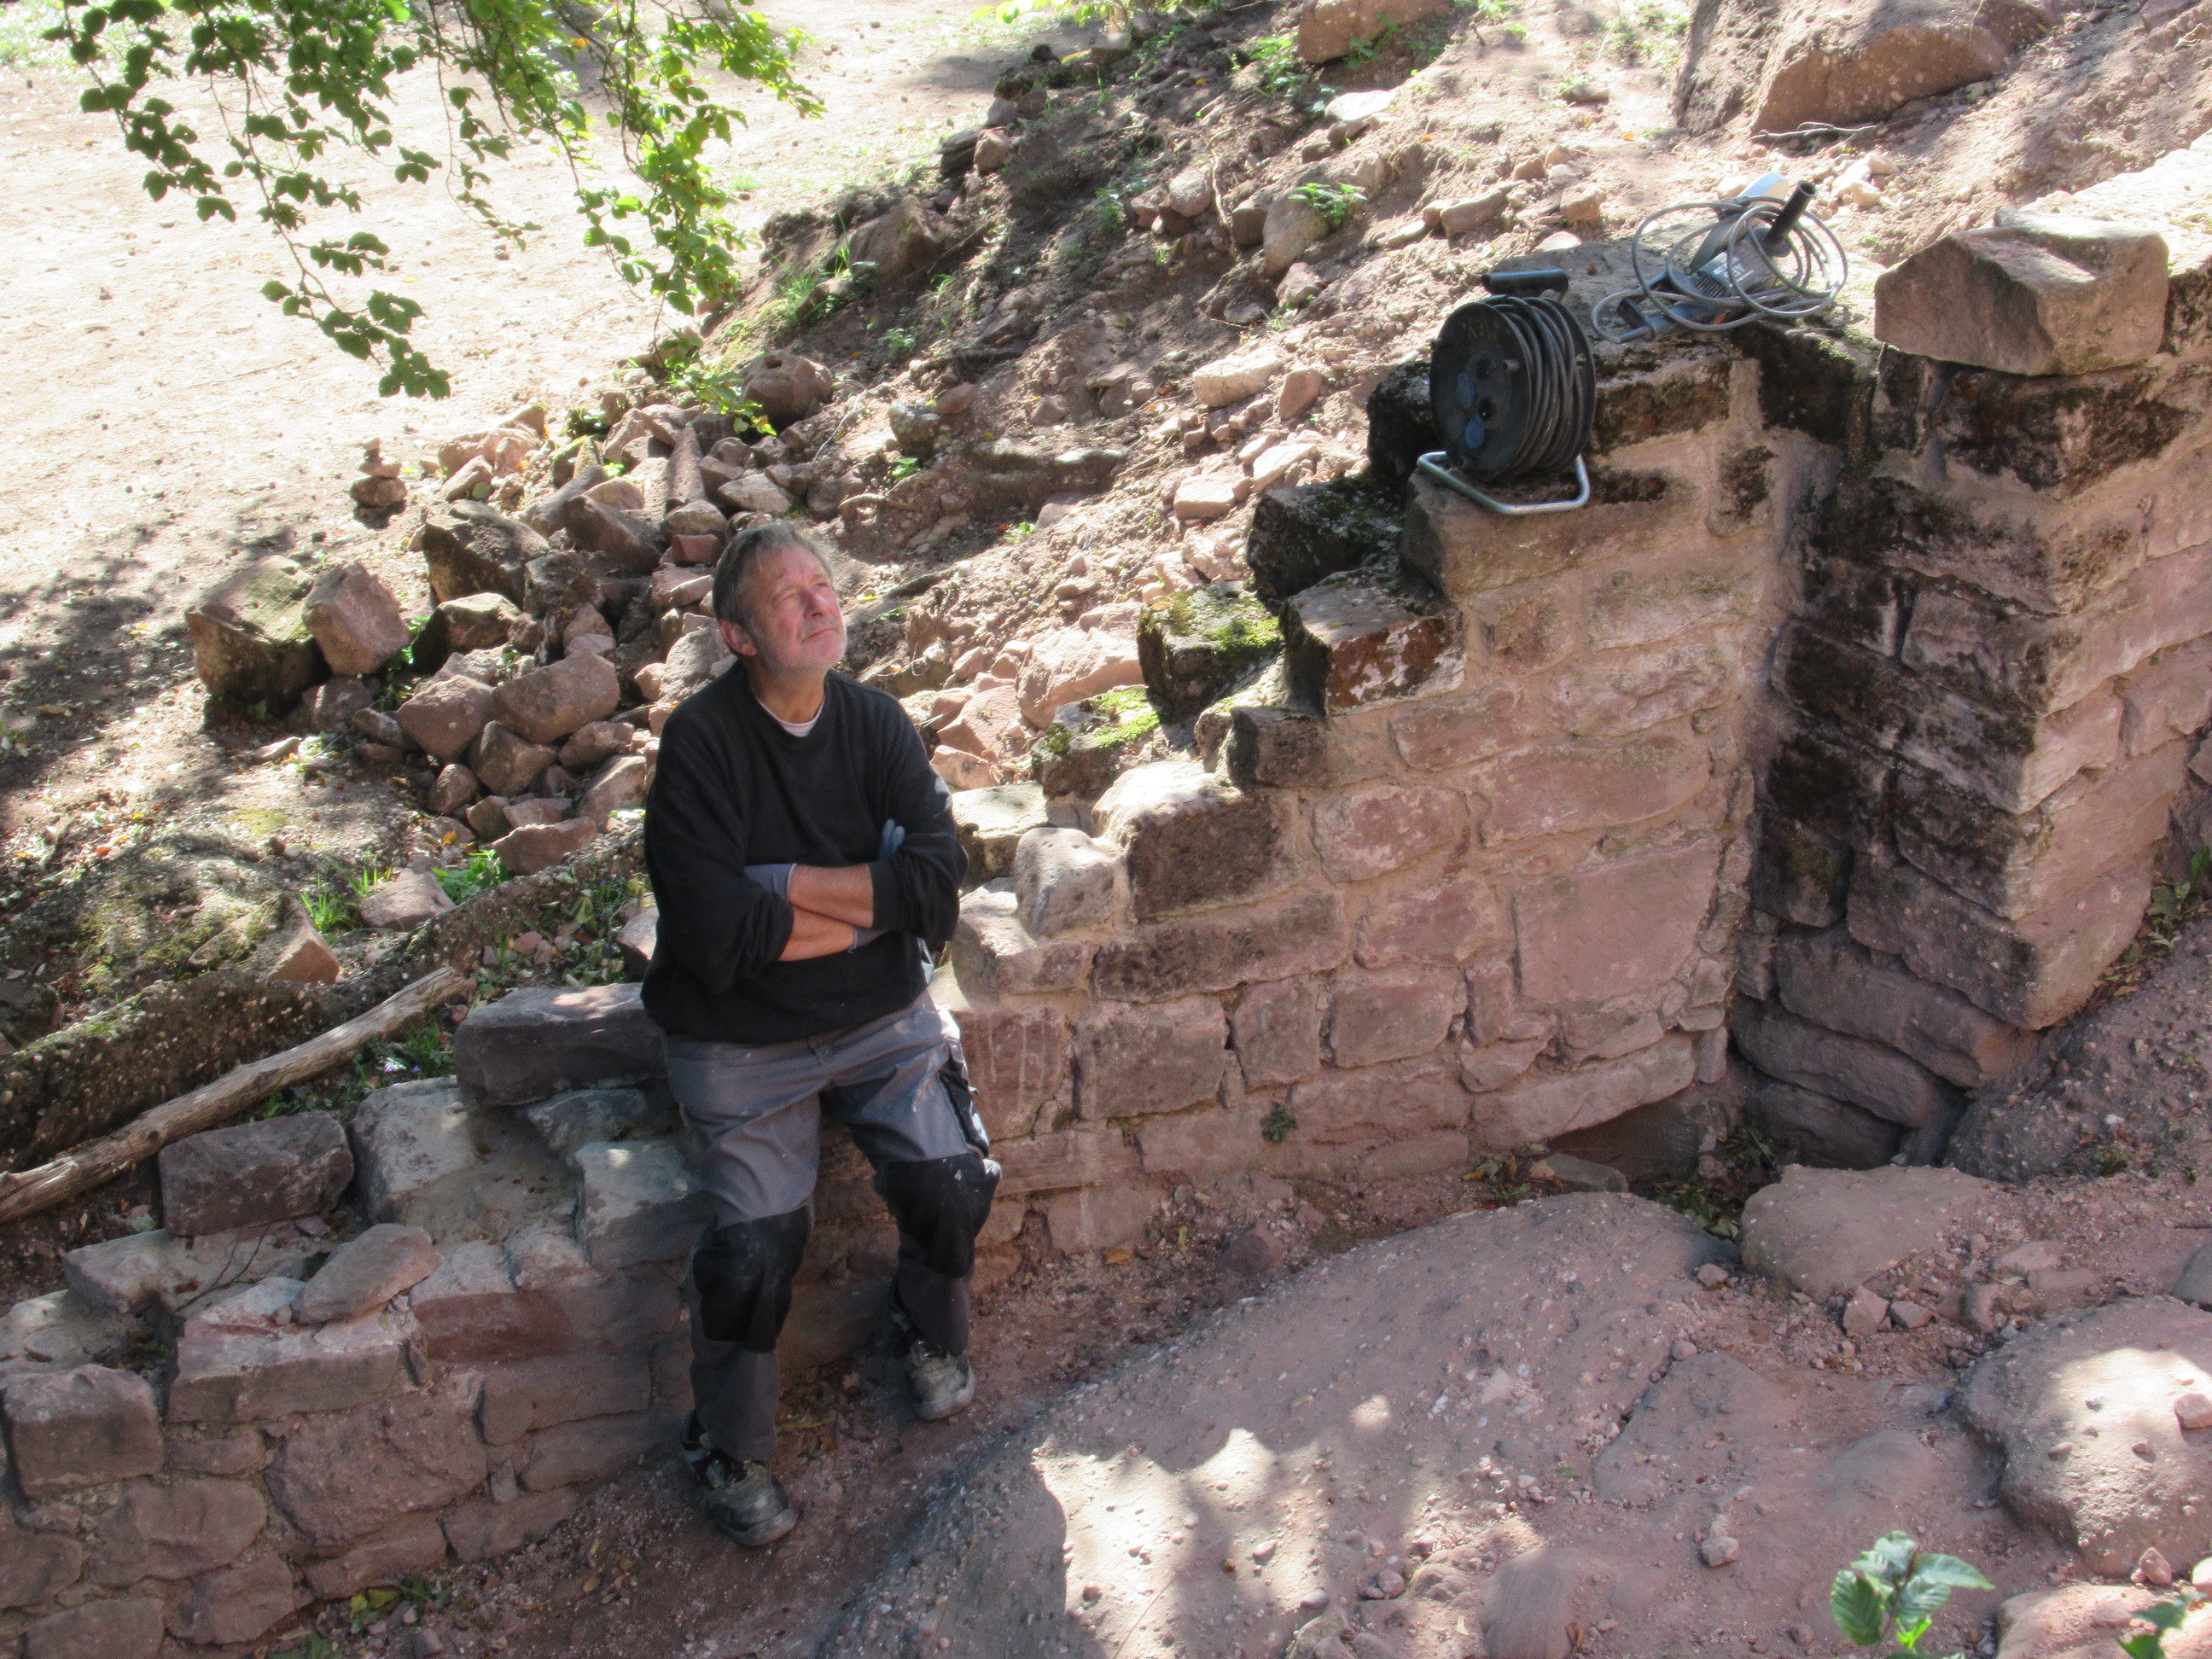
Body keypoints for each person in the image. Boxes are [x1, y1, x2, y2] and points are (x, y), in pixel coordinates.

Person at [641, 521, 993, 1548]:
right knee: (752, 1251)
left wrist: (785, 885)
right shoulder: (702, 748)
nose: (818, 603)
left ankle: (926, 1330)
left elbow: (935, 884)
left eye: (823, 584)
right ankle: (728, 1445)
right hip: (740, 1045)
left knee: (951, 1183)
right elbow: (717, 938)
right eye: (787, 595)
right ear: (738, 635)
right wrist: (870, 904)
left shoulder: (876, 724)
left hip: (880, 1017)